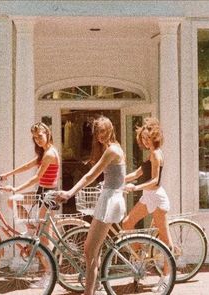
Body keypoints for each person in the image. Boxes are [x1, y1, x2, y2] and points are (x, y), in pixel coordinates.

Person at [55, 116, 126, 295]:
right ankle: (97, 288)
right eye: (97, 132)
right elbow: (117, 176)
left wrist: (70, 193)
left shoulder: (112, 150)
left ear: (111, 128)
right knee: (94, 249)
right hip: (110, 197)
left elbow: (90, 176)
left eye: (103, 131)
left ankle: (89, 292)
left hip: (110, 200)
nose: (100, 135)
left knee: (89, 250)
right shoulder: (113, 149)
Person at [122, 117, 173, 293]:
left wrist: (134, 187)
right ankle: (140, 251)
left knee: (166, 242)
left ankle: (167, 278)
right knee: (127, 223)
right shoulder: (151, 153)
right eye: (143, 138)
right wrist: (119, 180)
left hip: (157, 199)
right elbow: (138, 172)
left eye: (147, 138)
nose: (145, 141)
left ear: (154, 137)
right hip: (147, 197)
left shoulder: (157, 154)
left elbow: (155, 182)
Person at [0, 122, 59, 237]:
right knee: (12, 201)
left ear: (47, 134)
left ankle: (47, 254)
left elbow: (37, 177)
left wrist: (16, 188)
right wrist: (7, 174)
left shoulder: (50, 154)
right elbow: (27, 166)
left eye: (40, 136)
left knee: (44, 237)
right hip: (41, 192)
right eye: (35, 138)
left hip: (49, 195)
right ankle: (30, 229)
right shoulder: (44, 152)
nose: (37, 140)